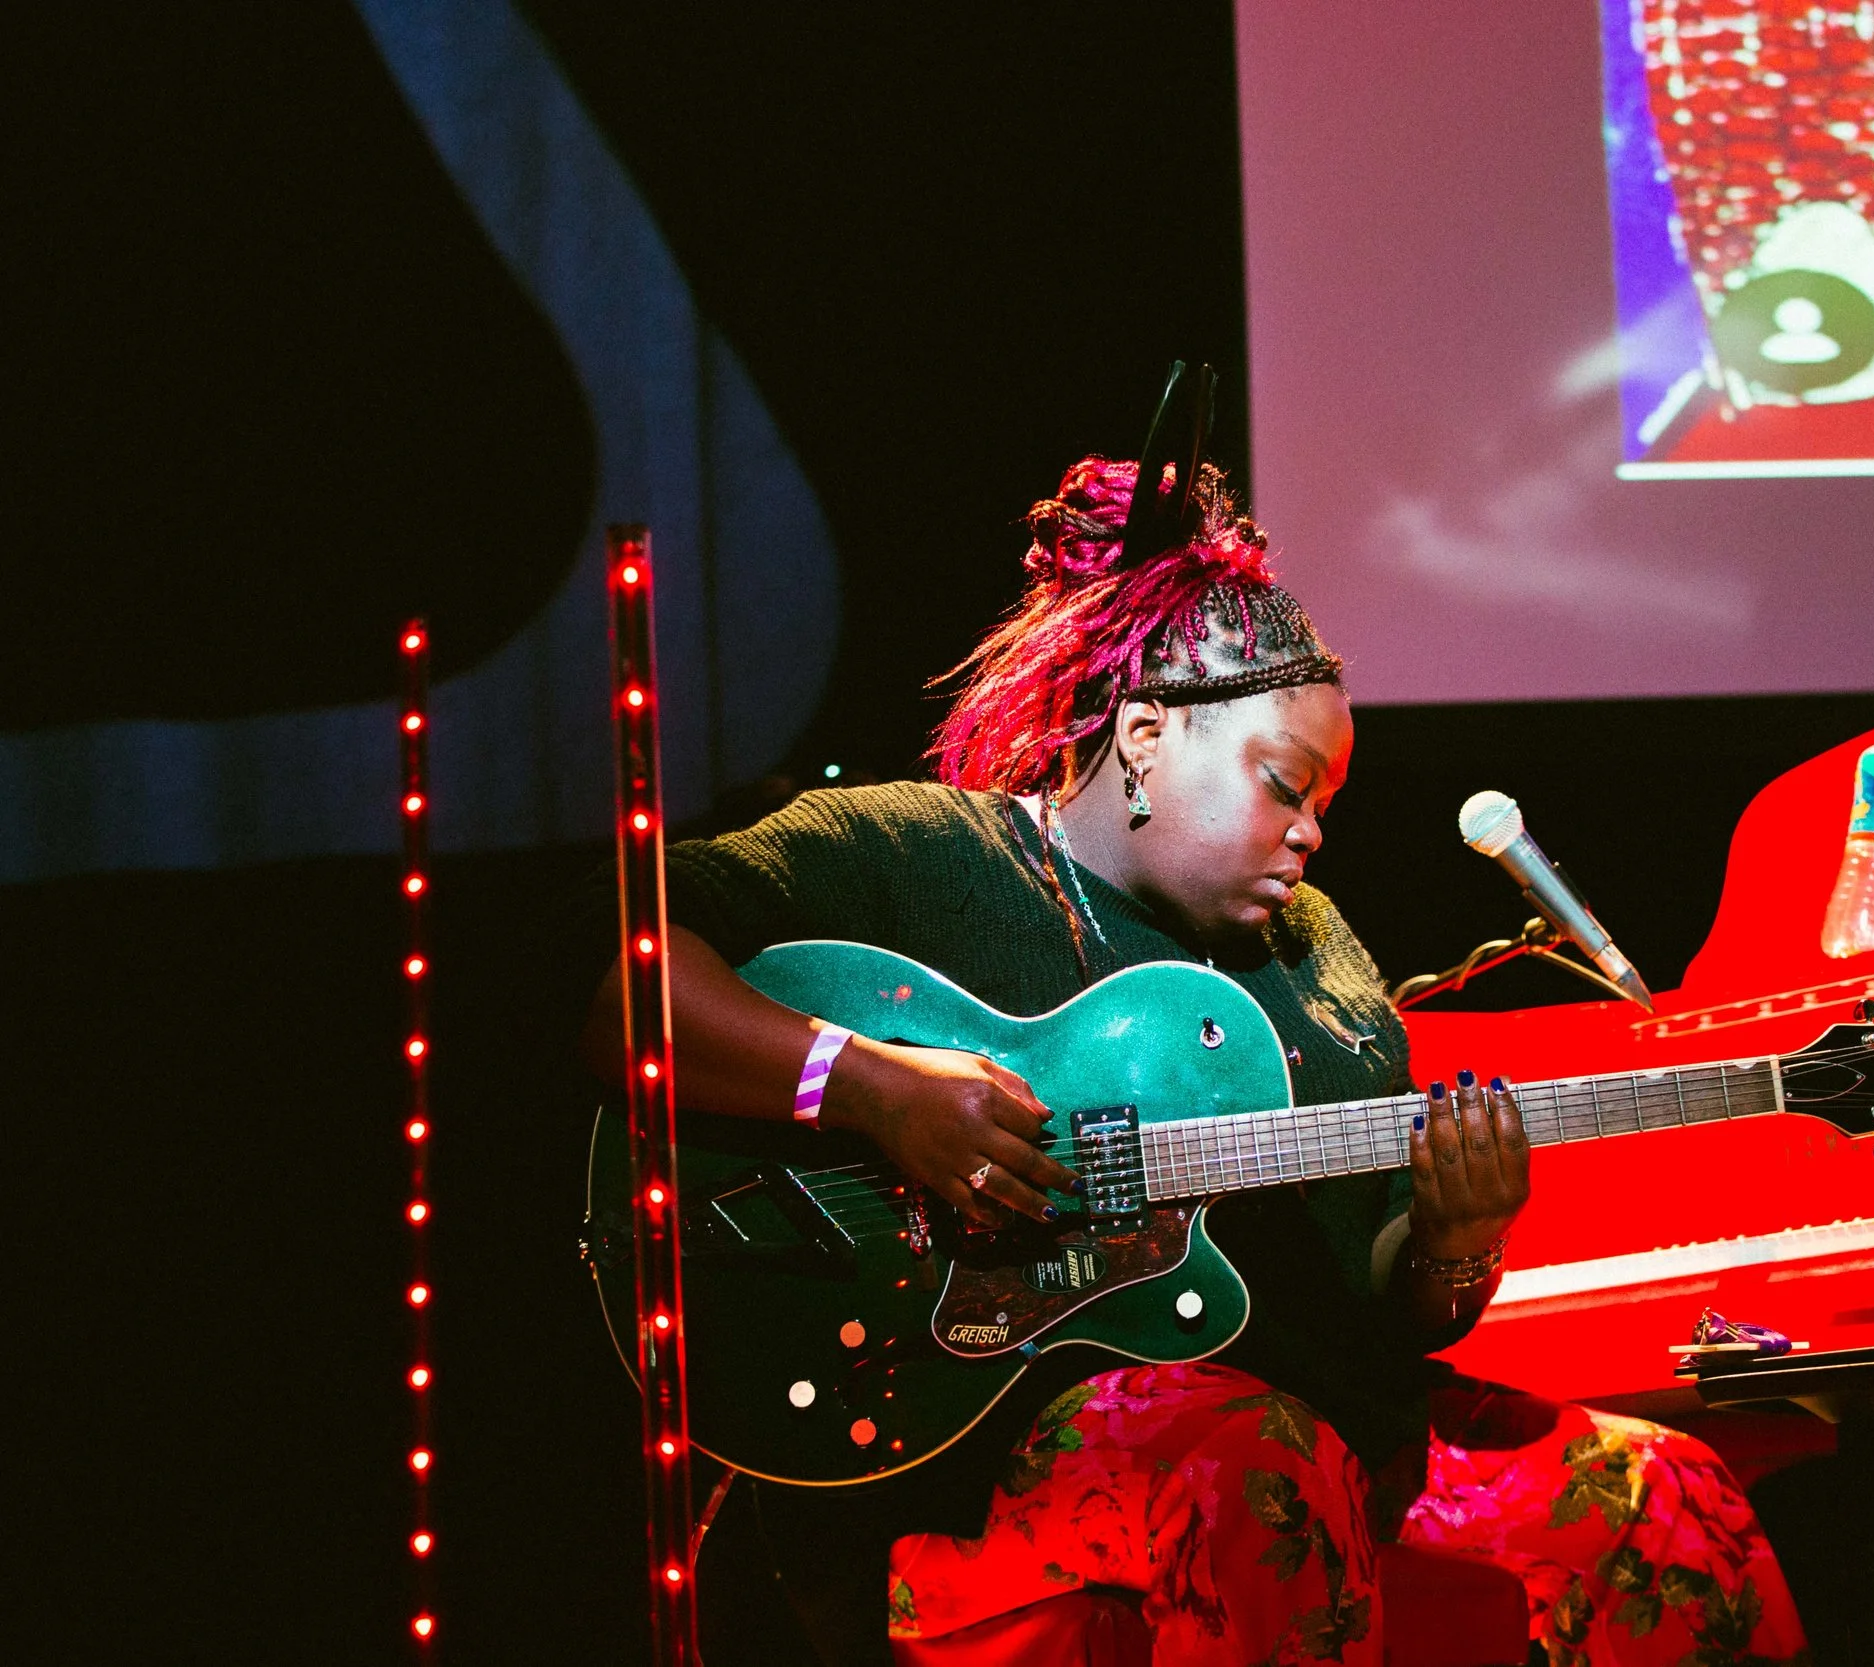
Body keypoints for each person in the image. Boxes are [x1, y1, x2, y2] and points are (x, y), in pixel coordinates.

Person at [580, 450, 1807, 1667]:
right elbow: (621, 979)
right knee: (1263, 1468)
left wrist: (1456, 1235)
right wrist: (876, 1089)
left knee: (1665, 1494)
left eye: (1325, 799)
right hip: (986, 1466)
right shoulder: (924, 856)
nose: (1311, 831)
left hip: (1329, 1447)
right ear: (1151, 736)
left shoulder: (1322, 962)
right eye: (1284, 784)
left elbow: (1396, 1302)